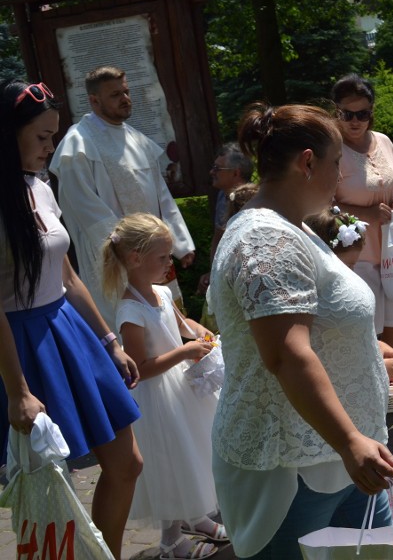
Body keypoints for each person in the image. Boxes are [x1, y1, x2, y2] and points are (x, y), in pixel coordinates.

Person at [207, 103, 393, 559]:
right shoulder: (264, 239)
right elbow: (286, 354)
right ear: (307, 162)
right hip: (295, 472)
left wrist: (364, 348)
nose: (341, 176)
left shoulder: (293, 229)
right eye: (337, 164)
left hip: (342, 460)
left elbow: (313, 319)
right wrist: (350, 441)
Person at [0, 78, 143, 558]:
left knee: (126, 464)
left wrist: (108, 339)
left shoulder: (40, 186)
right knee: (48, 488)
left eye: (54, 135)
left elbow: (67, 276)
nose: (50, 147)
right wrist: (17, 391)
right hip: (17, 346)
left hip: (70, 332)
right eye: (41, 137)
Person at [103, 213, 227, 560]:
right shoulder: (130, 310)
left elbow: (179, 322)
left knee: (194, 456)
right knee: (173, 464)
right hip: (159, 398)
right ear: (135, 259)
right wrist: (185, 351)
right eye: (162, 257)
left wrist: (199, 333)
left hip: (181, 391)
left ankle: (197, 516)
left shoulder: (159, 291)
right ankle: (172, 540)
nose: (169, 264)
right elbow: (140, 367)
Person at [49, 65, 195, 333]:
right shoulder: (78, 144)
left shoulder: (137, 140)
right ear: (94, 100)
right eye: (115, 94)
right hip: (114, 258)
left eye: (126, 92)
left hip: (153, 254)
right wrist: (123, 249)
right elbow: (83, 205)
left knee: (169, 326)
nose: (125, 99)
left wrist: (180, 242)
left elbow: (161, 194)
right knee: (130, 329)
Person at [331, 74, 393, 355]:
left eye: (362, 113)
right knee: (368, 332)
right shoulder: (331, 150)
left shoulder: (384, 141)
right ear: (336, 111)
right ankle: (376, 395)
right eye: (347, 114)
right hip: (356, 256)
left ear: (371, 112)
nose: (355, 120)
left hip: (392, 253)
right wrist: (368, 213)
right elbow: (323, 203)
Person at [305, 206, 393, 387]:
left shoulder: (338, 291)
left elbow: (352, 338)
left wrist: (378, 346)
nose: (351, 273)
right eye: (348, 265)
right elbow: (331, 355)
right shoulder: (318, 301)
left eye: (355, 265)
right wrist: (378, 367)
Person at [197, 142, 254, 295]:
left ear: (236, 173)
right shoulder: (223, 197)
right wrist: (213, 274)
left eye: (217, 168)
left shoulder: (253, 201)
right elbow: (218, 236)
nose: (211, 172)